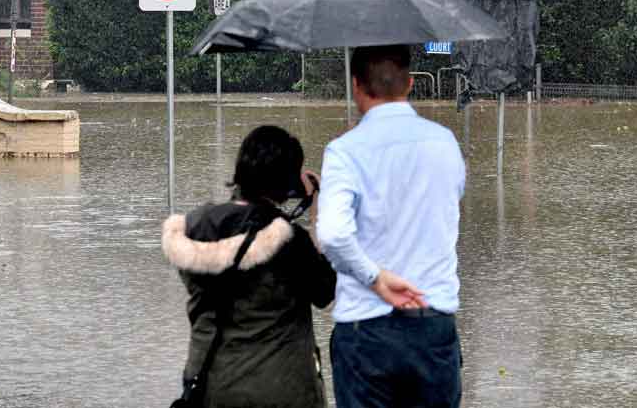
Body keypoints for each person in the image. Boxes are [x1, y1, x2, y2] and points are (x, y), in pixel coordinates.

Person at [317, 44, 466, 408]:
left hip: (366, 333)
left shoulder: (345, 151)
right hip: (433, 324)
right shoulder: (445, 143)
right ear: (411, 83)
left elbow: (333, 233)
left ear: (355, 85)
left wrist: (375, 278)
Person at [163, 125, 336, 408]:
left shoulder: (195, 227)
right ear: (287, 180)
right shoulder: (291, 241)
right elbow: (325, 291)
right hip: (282, 389)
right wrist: (315, 212)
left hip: (209, 386)